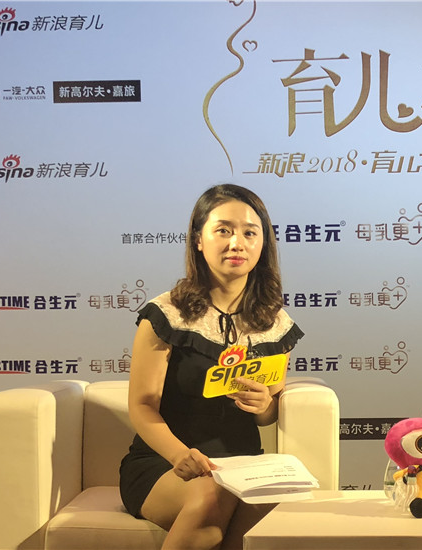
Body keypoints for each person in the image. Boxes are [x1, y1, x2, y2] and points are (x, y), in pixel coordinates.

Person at [119, 184, 303, 550]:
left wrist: (263, 405)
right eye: (223, 230)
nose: (237, 243)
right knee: (211, 495)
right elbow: (141, 406)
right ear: (198, 240)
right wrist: (179, 455)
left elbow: (269, 411)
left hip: (241, 464)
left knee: (274, 506)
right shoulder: (165, 314)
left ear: (263, 243)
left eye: (249, 233)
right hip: (166, 463)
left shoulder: (274, 322)